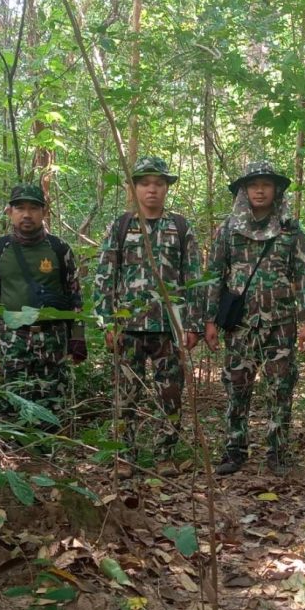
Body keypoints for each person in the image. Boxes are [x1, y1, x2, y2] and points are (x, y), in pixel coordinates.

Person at [93, 156, 203, 476]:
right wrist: (107, 321)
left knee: (170, 392)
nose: (152, 189)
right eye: (144, 183)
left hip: (169, 326)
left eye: (158, 183)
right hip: (128, 325)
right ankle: (124, 457)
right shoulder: (121, 225)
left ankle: (164, 454)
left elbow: (193, 277)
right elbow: (105, 275)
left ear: (167, 188)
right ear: (135, 188)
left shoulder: (180, 227)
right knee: (126, 394)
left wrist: (193, 324)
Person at [204, 161, 305, 476]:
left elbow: (304, 277)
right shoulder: (228, 229)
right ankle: (234, 450)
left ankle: (278, 453)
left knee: (281, 387)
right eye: (254, 185)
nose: (260, 190)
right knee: (236, 387)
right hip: (240, 325)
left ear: (276, 189)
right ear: (244, 190)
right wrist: (209, 320)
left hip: (281, 323)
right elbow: (214, 276)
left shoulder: (291, 228)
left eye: (266, 184)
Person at [0, 184, 86, 415]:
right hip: (12, 336)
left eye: (34, 208)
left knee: (53, 403)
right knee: (14, 401)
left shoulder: (59, 248)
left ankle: (50, 449)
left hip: (53, 336)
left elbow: (73, 292)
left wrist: (78, 335)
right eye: (20, 208)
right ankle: (15, 449)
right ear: (9, 212)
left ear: (44, 212)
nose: (27, 214)